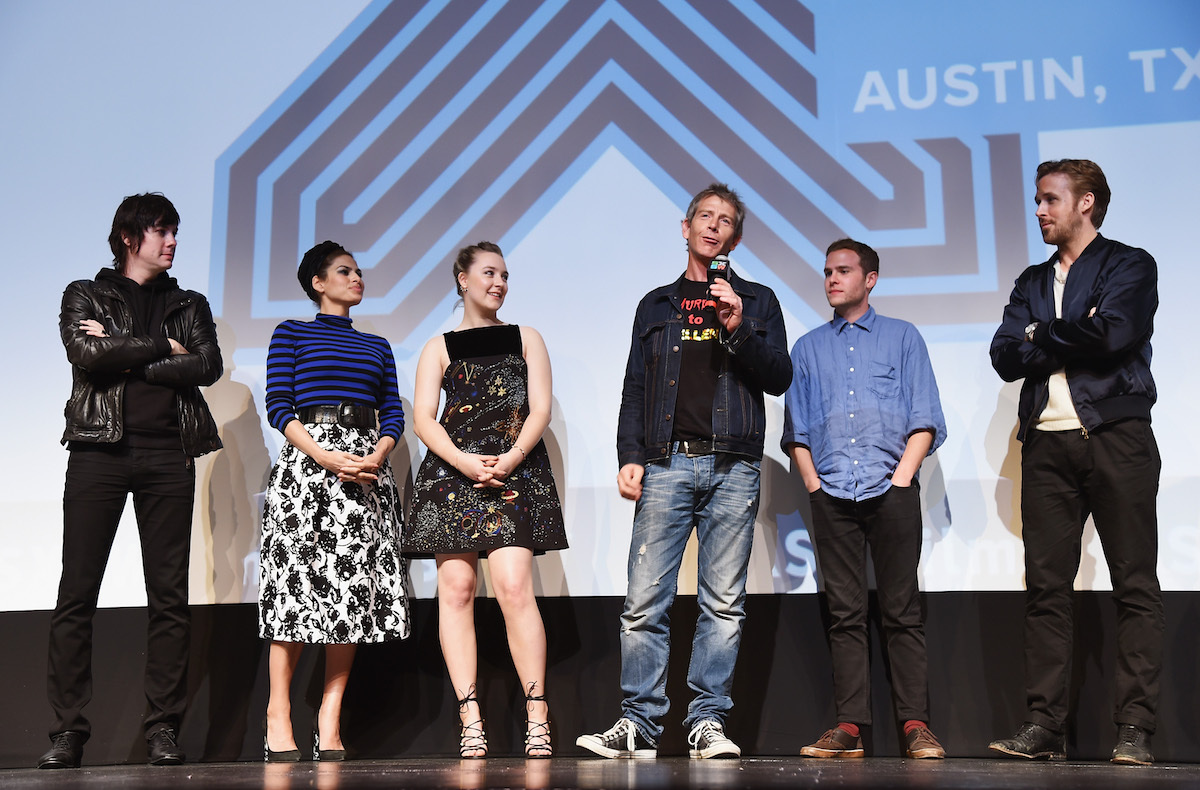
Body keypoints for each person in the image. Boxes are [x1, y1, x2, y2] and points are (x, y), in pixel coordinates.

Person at [576, 183, 792, 760]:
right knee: (645, 601)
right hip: (667, 463)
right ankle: (639, 727)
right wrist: (630, 455)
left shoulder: (758, 300)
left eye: (726, 221)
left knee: (723, 603)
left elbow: (778, 376)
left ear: (736, 237)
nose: (714, 227)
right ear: (686, 227)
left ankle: (707, 723)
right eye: (705, 217)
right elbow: (635, 387)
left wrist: (739, 325)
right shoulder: (656, 306)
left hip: (734, 466)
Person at [988, 159, 1163, 766]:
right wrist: (1060, 331)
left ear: (1085, 202)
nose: (1039, 210)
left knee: (1135, 584)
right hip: (1045, 445)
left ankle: (1135, 728)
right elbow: (1004, 355)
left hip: (1115, 436)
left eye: (1049, 200)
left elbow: (1116, 336)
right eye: (1038, 200)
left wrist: (1040, 334)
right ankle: (1044, 726)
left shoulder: (1130, 264)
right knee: (1046, 589)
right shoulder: (1031, 279)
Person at [39, 193, 222, 769]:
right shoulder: (84, 294)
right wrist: (159, 348)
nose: (172, 241)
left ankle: (163, 728)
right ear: (129, 237)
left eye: (175, 232)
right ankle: (69, 731)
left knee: (169, 598)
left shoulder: (189, 303)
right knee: (77, 593)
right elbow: (84, 353)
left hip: (170, 454)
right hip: (99, 452)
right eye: (162, 231)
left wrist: (121, 351)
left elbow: (207, 365)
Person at [781, 239, 947, 760]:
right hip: (831, 492)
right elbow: (797, 430)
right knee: (845, 614)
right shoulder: (807, 348)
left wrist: (901, 480)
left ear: (869, 279)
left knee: (902, 612)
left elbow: (925, 417)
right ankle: (850, 727)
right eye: (827, 271)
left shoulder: (903, 337)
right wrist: (813, 484)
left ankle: (916, 726)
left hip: (890, 490)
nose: (832, 279)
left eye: (844, 271)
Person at [404, 242, 567, 759]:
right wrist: (465, 461)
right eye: (489, 273)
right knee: (456, 587)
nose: (498, 283)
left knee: (515, 587)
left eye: (504, 275)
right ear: (462, 279)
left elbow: (538, 407)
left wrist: (512, 456)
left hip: (513, 470)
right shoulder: (440, 346)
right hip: (456, 474)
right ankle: (469, 715)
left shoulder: (527, 338)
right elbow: (424, 418)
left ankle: (537, 713)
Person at [259, 241, 410, 762]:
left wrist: (378, 452)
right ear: (318, 283)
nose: (357, 278)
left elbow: (392, 411)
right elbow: (279, 405)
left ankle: (330, 716)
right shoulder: (292, 333)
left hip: (366, 471)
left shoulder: (377, 345)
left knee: (350, 603)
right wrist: (326, 456)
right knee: (294, 595)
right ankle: (279, 712)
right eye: (344, 271)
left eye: (359, 271)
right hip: (309, 470)